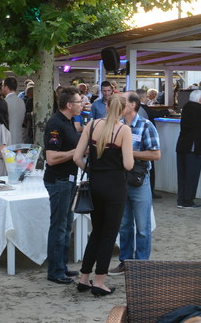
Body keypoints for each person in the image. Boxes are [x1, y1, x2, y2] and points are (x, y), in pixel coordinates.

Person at [73, 94, 134, 297]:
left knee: (97, 231)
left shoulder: (91, 125)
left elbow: (77, 157)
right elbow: (128, 165)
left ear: (106, 107)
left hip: (95, 184)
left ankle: (84, 277)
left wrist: (92, 172)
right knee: (108, 234)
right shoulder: (124, 130)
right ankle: (99, 281)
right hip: (115, 186)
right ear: (124, 110)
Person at [109, 92, 161, 275]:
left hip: (139, 180)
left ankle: (141, 265)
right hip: (121, 180)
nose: (120, 105)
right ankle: (125, 262)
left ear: (132, 105)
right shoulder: (118, 125)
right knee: (124, 225)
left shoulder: (146, 126)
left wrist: (128, 153)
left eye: (123, 102)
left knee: (143, 226)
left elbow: (155, 154)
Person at [43, 86, 82, 285]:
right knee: (58, 226)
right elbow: (51, 158)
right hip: (58, 180)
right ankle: (55, 271)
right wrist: (77, 152)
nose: (82, 104)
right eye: (79, 102)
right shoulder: (55, 123)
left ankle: (62, 266)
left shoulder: (69, 122)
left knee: (66, 225)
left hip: (68, 179)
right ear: (69, 104)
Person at [1, 77, 25, 145]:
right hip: (19, 139)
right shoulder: (22, 102)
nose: (2, 88)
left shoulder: (4, 102)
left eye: (2, 86)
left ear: (6, 87)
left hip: (6, 140)